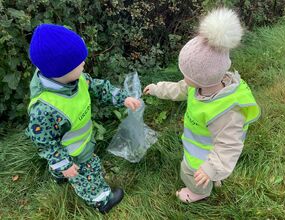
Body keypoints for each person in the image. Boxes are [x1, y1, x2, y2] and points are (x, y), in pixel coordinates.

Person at [143, 8, 260, 203]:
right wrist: (157, 89)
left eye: (186, 75)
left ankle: (199, 192)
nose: (184, 78)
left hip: (202, 154)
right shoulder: (201, 85)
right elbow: (178, 89)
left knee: (190, 171)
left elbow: (229, 144)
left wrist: (210, 168)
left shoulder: (226, 111)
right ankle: (214, 176)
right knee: (207, 170)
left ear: (201, 78)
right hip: (202, 146)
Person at [26, 24, 141, 213]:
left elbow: (98, 87)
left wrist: (123, 98)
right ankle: (102, 200)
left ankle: (59, 174)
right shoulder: (44, 109)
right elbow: (46, 143)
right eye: (79, 63)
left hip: (76, 142)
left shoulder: (74, 79)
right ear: (61, 70)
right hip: (74, 151)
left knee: (62, 167)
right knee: (90, 173)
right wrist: (65, 164)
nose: (83, 64)